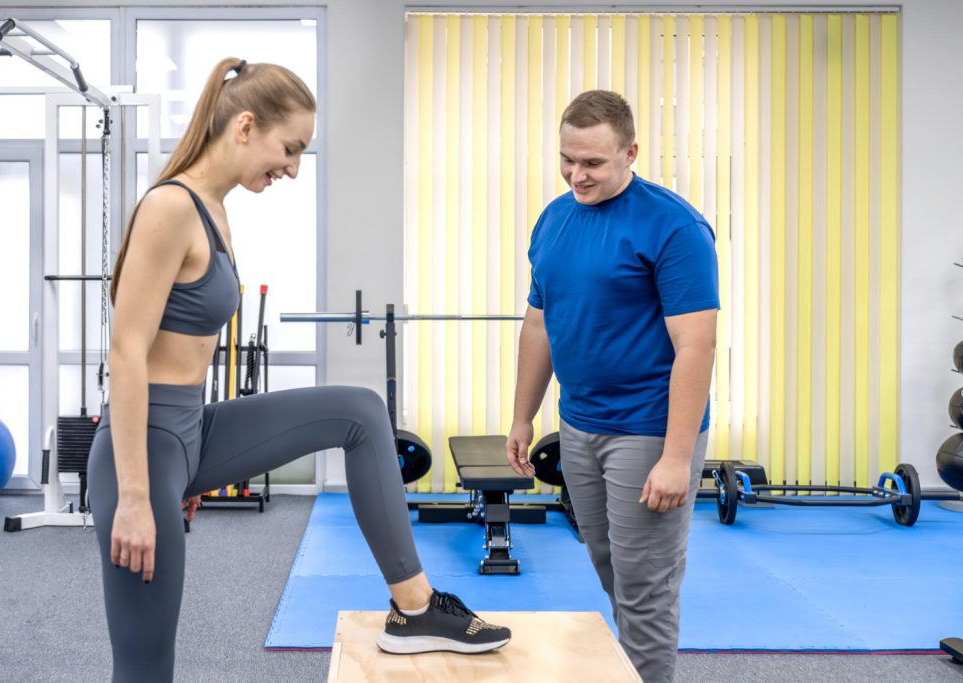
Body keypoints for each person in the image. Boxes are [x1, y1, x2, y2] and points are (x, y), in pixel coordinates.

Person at [87, 57, 510, 682]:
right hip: (141, 450)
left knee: (361, 412)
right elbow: (125, 354)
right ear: (246, 126)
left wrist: (194, 464)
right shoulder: (169, 206)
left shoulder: (213, 207)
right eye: (290, 148)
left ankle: (415, 608)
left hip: (188, 433)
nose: (291, 167)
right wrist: (136, 495)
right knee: (147, 664)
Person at [505, 90, 718, 683]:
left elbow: (695, 346)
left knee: (645, 587)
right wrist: (524, 416)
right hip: (579, 424)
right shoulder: (554, 217)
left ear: (631, 152)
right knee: (609, 567)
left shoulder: (674, 226)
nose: (578, 174)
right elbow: (540, 323)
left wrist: (677, 458)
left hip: (648, 429)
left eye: (593, 162)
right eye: (567, 158)